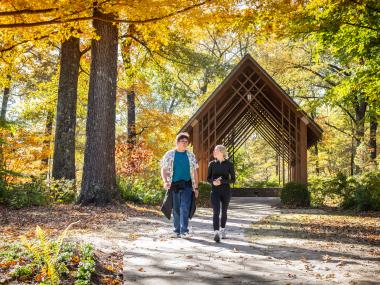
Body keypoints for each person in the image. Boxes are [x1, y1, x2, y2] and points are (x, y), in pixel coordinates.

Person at [161, 132, 199, 238]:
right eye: (183, 141)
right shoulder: (169, 154)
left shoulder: (191, 155)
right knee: (176, 208)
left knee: (184, 207)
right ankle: (176, 230)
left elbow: (195, 171)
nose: (185, 143)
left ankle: (184, 230)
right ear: (177, 142)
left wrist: (196, 187)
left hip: (187, 184)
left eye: (186, 142)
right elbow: (163, 169)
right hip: (174, 185)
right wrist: (165, 181)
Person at [207, 145, 236, 243]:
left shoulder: (229, 164)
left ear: (222, 152)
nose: (214, 152)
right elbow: (208, 178)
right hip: (214, 191)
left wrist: (222, 181)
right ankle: (216, 232)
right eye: (214, 150)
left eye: (216, 150)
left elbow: (233, 180)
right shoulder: (211, 164)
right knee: (216, 212)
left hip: (226, 191)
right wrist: (213, 182)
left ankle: (222, 229)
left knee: (224, 211)